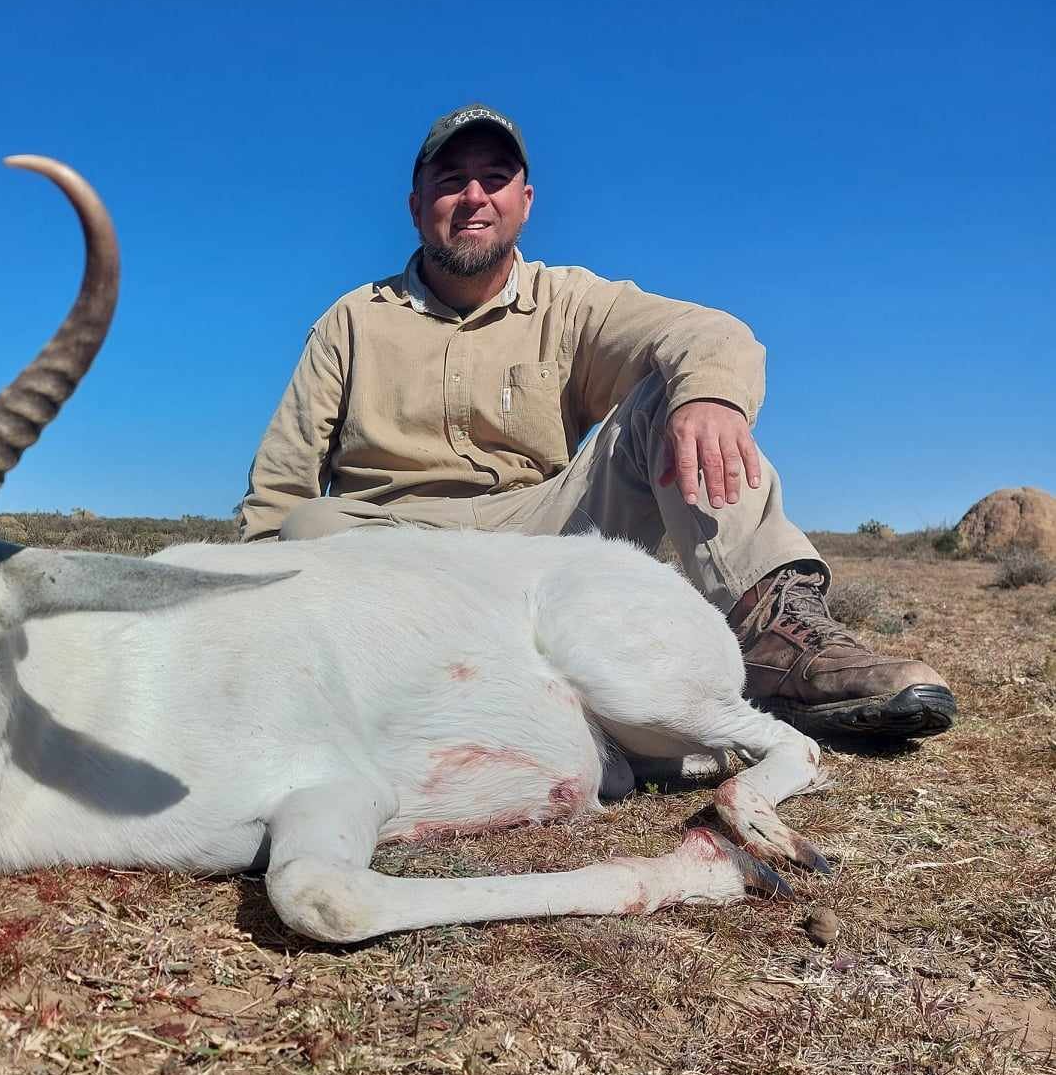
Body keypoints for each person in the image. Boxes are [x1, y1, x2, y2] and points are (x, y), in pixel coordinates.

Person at [238, 103, 955, 739]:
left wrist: (708, 396)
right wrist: (244, 624)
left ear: (525, 200)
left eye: (493, 178)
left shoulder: (571, 301)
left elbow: (710, 332)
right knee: (308, 532)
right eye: (451, 180)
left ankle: (776, 642)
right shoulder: (351, 320)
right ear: (416, 202)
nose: (473, 196)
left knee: (669, 401)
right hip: (400, 557)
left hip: (543, 542)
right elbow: (280, 489)